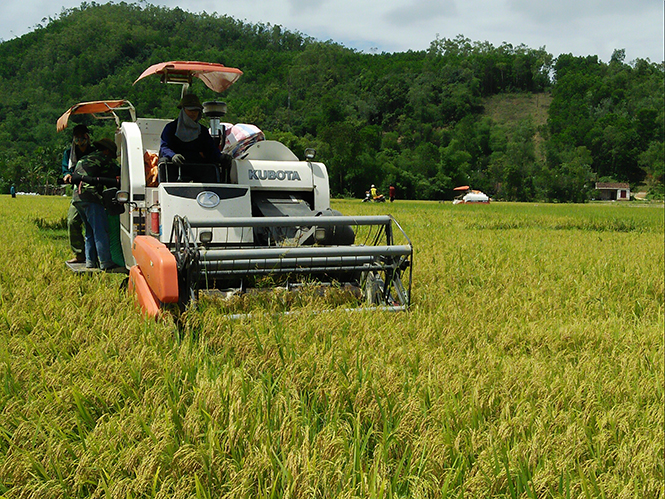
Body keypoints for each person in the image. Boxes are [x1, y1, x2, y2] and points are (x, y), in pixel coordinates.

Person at [71, 138, 121, 271]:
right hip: (91, 196)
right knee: (100, 230)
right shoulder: (104, 159)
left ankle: (90, 262)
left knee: (89, 231)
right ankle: (105, 262)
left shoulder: (87, 157)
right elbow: (118, 175)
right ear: (107, 151)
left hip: (77, 198)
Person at [159, 93, 231, 182]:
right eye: (190, 110)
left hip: (197, 166)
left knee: (213, 166)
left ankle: (213, 192)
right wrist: (173, 156)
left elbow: (210, 150)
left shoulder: (202, 131)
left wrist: (220, 157)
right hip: (175, 166)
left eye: (196, 110)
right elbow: (164, 147)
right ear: (183, 110)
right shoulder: (171, 128)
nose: (193, 113)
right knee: (164, 162)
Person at [62, 125, 96, 263]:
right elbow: (66, 170)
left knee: (95, 225)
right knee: (72, 221)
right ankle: (79, 254)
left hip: (94, 192)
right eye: (77, 138)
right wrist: (67, 175)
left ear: (87, 137)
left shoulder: (95, 152)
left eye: (83, 137)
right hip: (78, 193)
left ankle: (96, 256)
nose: (80, 140)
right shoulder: (69, 153)